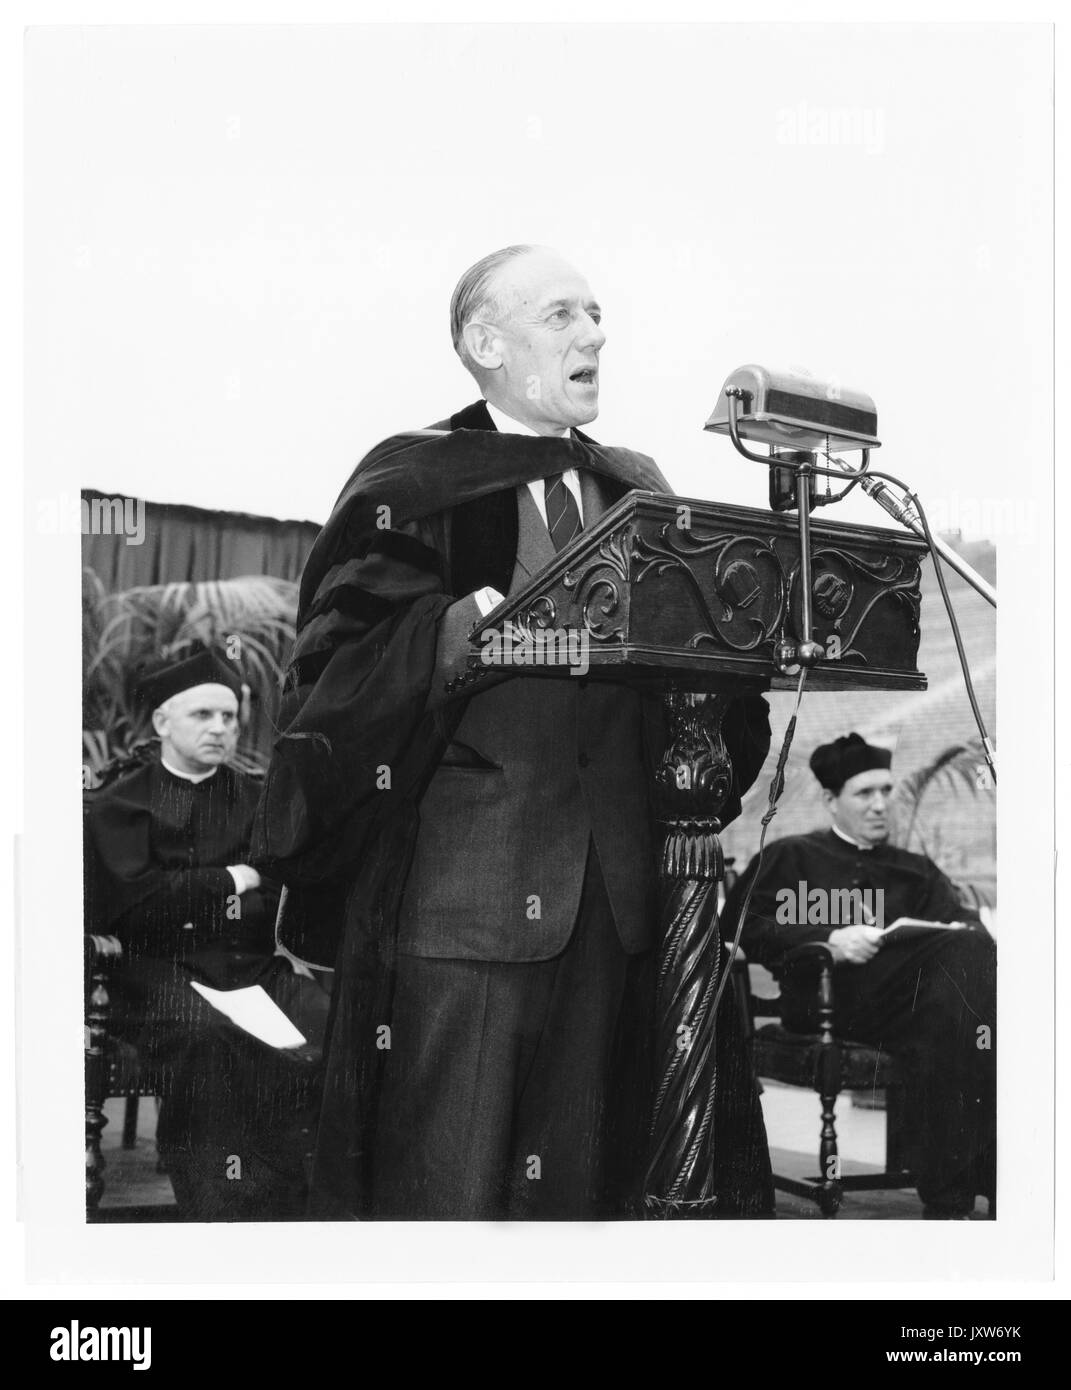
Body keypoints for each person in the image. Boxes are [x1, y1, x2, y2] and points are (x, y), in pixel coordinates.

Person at [252, 243, 773, 1220]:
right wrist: (456, 631)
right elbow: (336, 669)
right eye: (563, 315)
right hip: (469, 901)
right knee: (449, 1186)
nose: (596, 334)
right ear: (485, 343)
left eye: (599, 312)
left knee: (575, 1196)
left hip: (615, 907)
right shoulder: (414, 479)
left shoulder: (639, 489)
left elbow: (705, 668)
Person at [86, 649, 320, 1219]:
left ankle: (305, 1209)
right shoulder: (120, 804)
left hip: (250, 969)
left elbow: (284, 892)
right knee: (208, 1038)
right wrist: (235, 877)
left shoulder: (257, 799)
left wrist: (189, 892)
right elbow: (136, 912)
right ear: (163, 723)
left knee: (330, 1024)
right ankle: (222, 1211)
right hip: (155, 976)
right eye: (203, 716)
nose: (221, 728)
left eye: (229, 717)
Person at [724, 732, 996, 1218]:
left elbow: (960, 926)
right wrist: (831, 938)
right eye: (864, 793)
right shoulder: (791, 856)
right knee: (967, 1005)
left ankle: (955, 1194)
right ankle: (968, 1190)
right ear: (831, 800)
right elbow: (743, 927)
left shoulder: (915, 868)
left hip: (913, 1009)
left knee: (966, 975)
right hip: (827, 1001)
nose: (880, 805)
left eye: (886, 791)